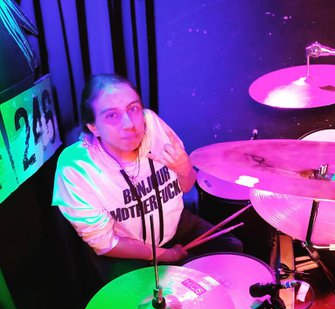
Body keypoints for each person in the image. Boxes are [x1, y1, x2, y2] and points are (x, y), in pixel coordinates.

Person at [52, 74, 243, 283]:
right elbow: (105, 243)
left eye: (133, 108)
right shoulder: (77, 167)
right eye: (112, 115)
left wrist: (184, 168)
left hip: (175, 225)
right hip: (126, 249)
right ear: (93, 127)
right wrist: (165, 255)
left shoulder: (152, 124)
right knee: (155, 296)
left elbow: (187, 186)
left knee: (232, 250)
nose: (129, 124)